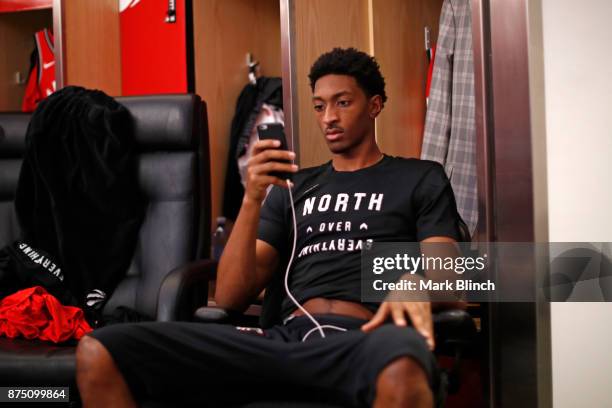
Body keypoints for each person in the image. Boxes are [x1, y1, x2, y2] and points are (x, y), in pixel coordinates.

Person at [76, 47, 464, 408]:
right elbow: (229, 297)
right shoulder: (292, 188)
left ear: (374, 105)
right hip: (285, 339)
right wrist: (252, 198)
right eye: (319, 106)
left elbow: (448, 276)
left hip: (365, 339)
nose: (328, 117)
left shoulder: (418, 177)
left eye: (343, 102)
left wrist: (414, 282)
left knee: (403, 367)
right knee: (101, 350)